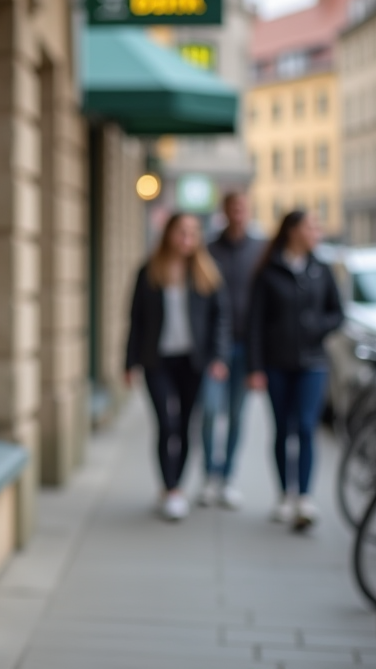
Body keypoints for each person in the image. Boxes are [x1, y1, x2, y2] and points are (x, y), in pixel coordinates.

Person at [125, 213, 230, 521]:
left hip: (193, 360)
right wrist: (128, 362)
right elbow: (136, 320)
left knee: (186, 425)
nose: (187, 238)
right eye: (182, 232)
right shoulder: (149, 272)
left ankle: (177, 488)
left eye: (193, 232)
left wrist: (219, 358)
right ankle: (168, 486)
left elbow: (220, 319)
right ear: (169, 234)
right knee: (166, 424)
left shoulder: (206, 273)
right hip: (157, 359)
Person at [247, 210, 343, 532]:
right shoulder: (269, 271)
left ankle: (303, 496)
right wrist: (255, 367)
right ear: (292, 231)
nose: (316, 231)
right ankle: (283, 495)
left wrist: (317, 326)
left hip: (312, 363)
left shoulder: (321, 269)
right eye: (310, 226)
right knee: (282, 429)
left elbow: (338, 313)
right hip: (276, 363)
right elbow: (255, 323)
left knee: (305, 427)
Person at [200, 191, 264, 509]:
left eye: (242, 207)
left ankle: (228, 477)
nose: (237, 212)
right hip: (214, 347)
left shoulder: (259, 250)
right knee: (210, 412)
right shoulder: (209, 249)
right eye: (232, 207)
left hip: (246, 347)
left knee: (237, 416)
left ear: (248, 211)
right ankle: (210, 475)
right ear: (224, 211)